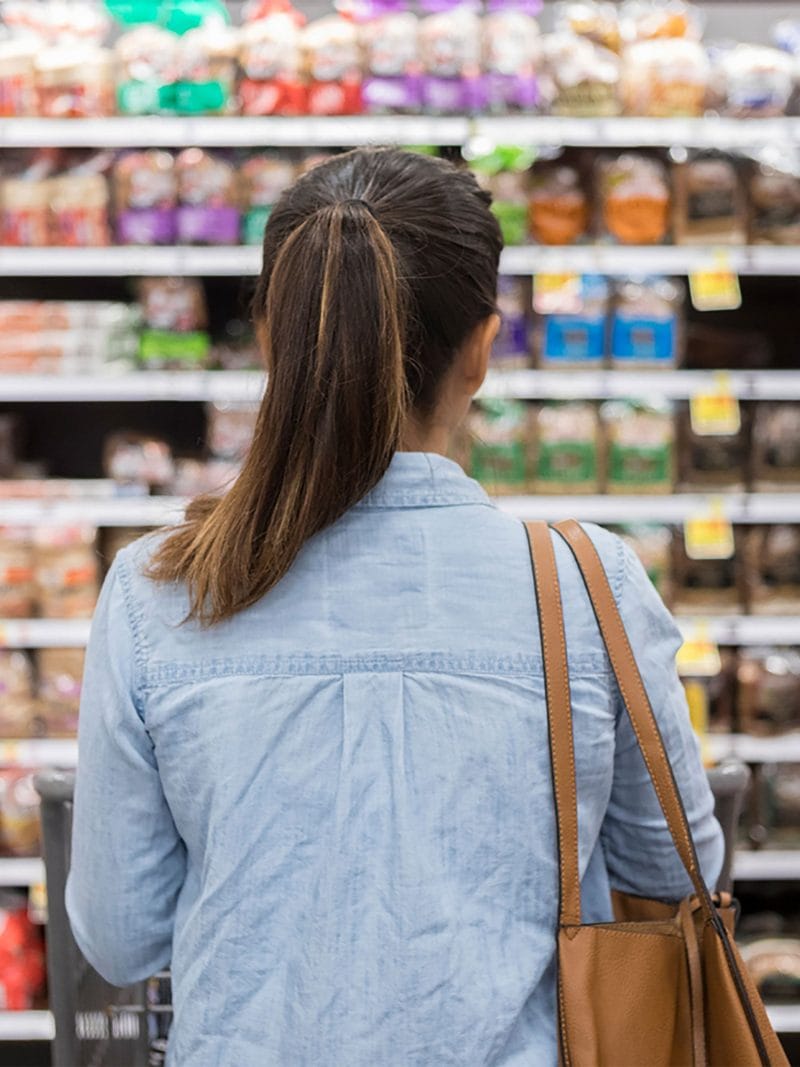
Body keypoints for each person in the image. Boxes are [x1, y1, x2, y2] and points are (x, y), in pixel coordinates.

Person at [67, 147, 723, 1067]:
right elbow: (677, 868)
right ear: (485, 350)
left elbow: (120, 934)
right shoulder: (587, 582)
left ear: (272, 342)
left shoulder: (157, 591)